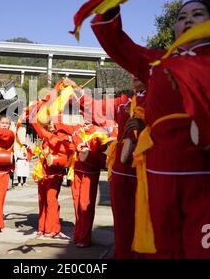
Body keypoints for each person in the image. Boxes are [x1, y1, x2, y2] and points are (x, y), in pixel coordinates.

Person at [89, 0, 210, 258]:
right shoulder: (157, 63)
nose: (189, 19)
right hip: (161, 180)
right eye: (182, 17)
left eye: (197, 14)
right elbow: (120, 45)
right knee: (164, 252)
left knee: (208, 250)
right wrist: (109, 8)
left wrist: (209, 96)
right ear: (176, 28)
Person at [69, 76, 147, 257]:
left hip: (147, 166)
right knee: (121, 218)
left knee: (145, 217)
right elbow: (97, 106)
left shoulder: (159, 97)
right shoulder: (123, 101)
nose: (135, 75)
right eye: (132, 72)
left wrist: (144, 127)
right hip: (121, 166)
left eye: (140, 71)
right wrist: (76, 90)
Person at [54, 118, 109, 248]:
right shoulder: (78, 128)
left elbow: (102, 146)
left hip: (90, 171)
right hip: (77, 169)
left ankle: (85, 237)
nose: (86, 114)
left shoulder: (99, 130)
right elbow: (62, 128)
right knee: (77, 203)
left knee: (86, 205)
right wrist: (52, 117)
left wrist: (85, 145)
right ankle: (78, 233)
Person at [31, 118, 75, 238]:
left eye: (53, 122)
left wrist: (31, 116)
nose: (51, 125)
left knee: (51, 200)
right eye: (48, 122)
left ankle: (53, 228)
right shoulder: (45, 138)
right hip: (43, 173)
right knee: (42, 200)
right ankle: (42, 227)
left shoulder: (61, 137)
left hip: (54, 174)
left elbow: (68, 153)